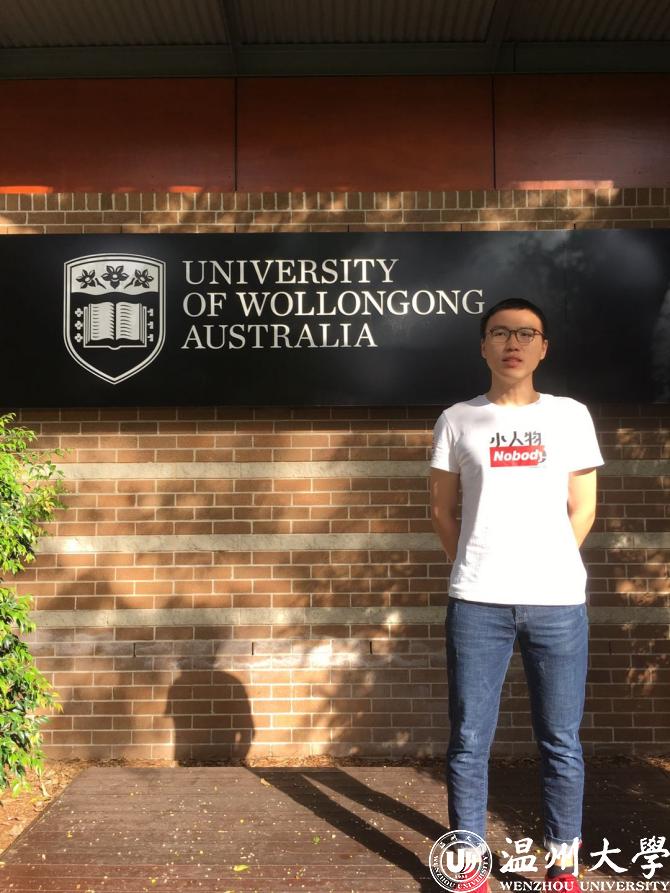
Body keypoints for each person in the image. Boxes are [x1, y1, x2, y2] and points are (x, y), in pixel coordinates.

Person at [430, 298, 604, 893]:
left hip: (557, 602)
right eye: (500, 332)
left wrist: (549, 559)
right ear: (483, 346)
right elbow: (441, 510)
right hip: (477, 604)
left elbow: (583, 508)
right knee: (468, 740)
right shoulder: (457, 419)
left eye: (526, 333)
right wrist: (473, 562)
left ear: (543, 347)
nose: (513, 342)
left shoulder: (570, 417)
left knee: (561, 741)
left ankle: (562, 865)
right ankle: (467, 863)